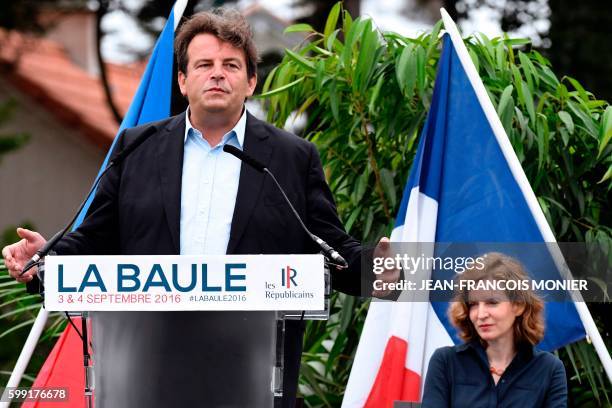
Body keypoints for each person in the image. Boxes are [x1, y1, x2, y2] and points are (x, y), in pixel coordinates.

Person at [2, 8, 398, 408]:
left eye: (230, 65)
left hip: (253, 372)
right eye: (204, 64)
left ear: (251, 81)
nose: (217, 74)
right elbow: (95, 238)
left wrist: (380, 270)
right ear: (182, 80)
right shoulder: (136, 149)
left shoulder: (291, 158)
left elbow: (330, 248)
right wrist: (45, 259)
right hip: (146, 371)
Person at [422, 252, 567, 408]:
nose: (481, 314)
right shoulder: (446, 361)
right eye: (473, 304)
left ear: (518, 305)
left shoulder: (549, 369)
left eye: (492, 302)